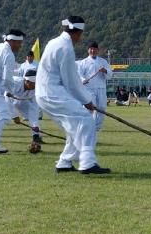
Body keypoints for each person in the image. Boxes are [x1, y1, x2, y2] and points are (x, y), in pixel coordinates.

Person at [36, 16, 109, 174]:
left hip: (46, 93)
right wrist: (87, 100)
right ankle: (87, 163)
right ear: (78, 32)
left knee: (74, 127)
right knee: (86, 121)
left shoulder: (54, 42)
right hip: (52, 93)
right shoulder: (65, 48)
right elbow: (71, 81)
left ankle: (64, 162)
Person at [76, 41, 111, 131]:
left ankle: (96, 127)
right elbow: (79, 74)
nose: (93, 50)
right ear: (88, 50)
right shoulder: (83, 62)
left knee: (102, 108)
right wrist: (83, 80)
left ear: (98, 50)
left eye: (94, 49)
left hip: (101, 89)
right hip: (89, 89)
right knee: (90, 108)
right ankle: (87, 126)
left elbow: (110, 75)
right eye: (91, 49)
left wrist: (105, 71)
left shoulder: (103, 61)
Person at [7, 69, 42, 144]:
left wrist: (35, 125)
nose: (36, 86)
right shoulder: (15, 82)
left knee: (33, 117)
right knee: (0, 118)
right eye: (34, 84)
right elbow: (6, 98)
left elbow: (34, 109)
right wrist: (14, 116)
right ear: (27, 81)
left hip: (20, 99)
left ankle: (36, 136)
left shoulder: (35, 90)